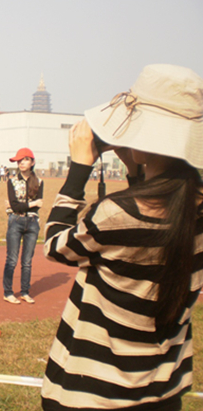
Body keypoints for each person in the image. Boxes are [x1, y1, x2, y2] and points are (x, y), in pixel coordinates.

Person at [41, 64, 203, 410]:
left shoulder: (117, 214)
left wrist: (79, 170)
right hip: (164, 390)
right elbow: (157, 220)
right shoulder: (194, 210)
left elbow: (56, 246)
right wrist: (135, 169)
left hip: (94, 394)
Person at [3, 147, 43, 305]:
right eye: (19, 160)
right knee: (11, 259)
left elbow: (38, 206)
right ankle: (8, 292)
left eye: (25, 159)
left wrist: (24, 205)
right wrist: (32, 203)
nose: (21, 163)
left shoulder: (39, 182)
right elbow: (15, 206)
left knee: (27, 261)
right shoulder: (12, 181)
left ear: (32, 162)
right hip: (15, 221)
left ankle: (25, 291)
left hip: (33, 223)